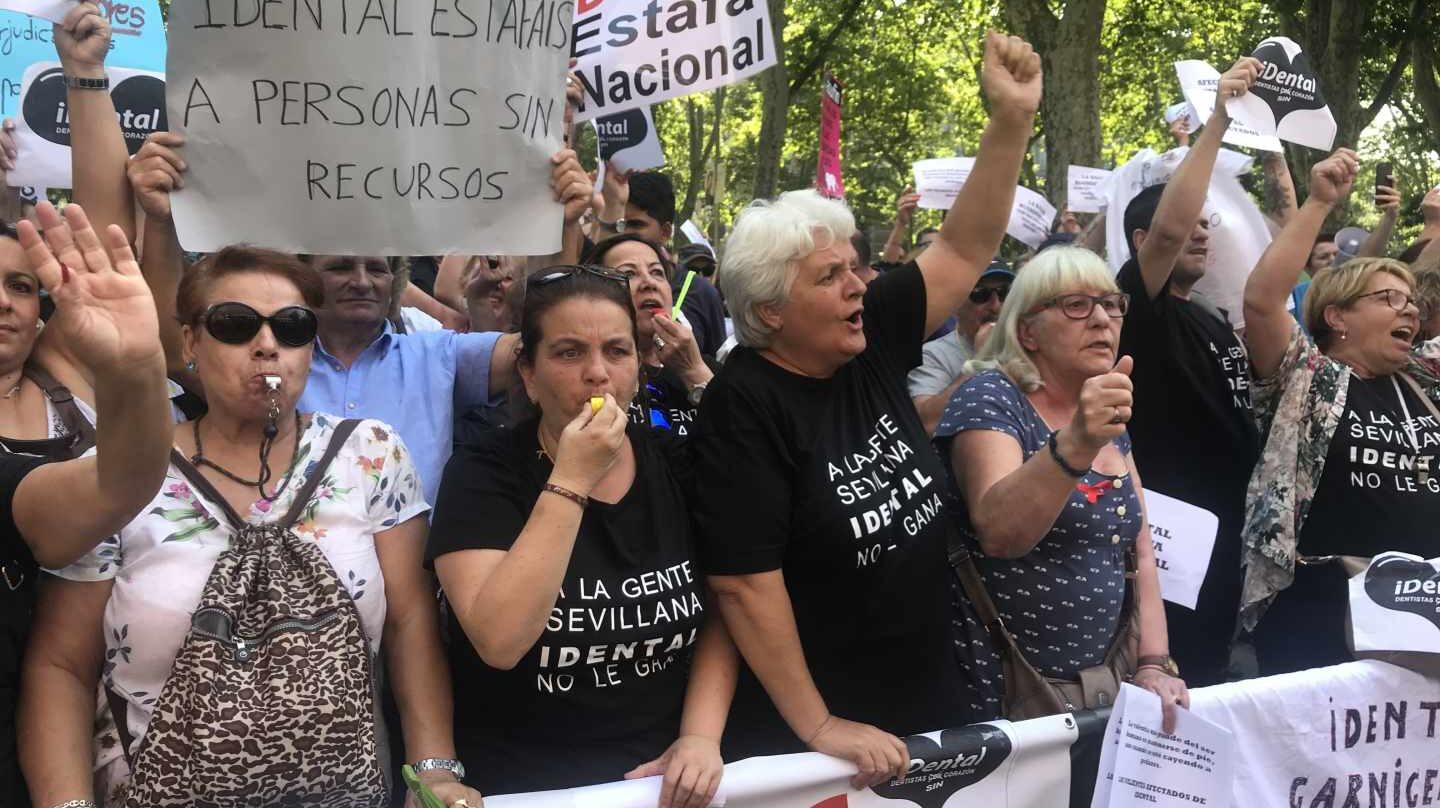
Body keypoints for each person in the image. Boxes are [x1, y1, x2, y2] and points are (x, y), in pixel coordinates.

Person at [691, 32, 1040, 787]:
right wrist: (819, 724)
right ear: (770, 311)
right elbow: (746, 587)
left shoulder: (866, 335)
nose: (859, 284)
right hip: (819, 744)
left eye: (855, 265)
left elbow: (962, 246)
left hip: (927, 697)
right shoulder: (741, 409)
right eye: (831, 276)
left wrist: (1009, 123)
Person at [21, 245, 482, 808]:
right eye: (236, 325)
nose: (267, 346)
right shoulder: (119, 476)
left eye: (291, 327)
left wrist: (432, 769)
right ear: (190, 341)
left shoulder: (371, 454)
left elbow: (411, 622)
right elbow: (62, 665)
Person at [127, 132, 593, 504]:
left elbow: (549, 347)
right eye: (341, 266)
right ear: (306, 280)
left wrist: (563, 228)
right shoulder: (266, 358)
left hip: (414, 587)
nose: (363, 280)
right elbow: (171, 350)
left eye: (378, 267)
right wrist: (163, 222)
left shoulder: (437, 354)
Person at [427, 266, 735, 803]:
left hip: (658, 780)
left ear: (639, 367)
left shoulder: (676, 461)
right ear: (528, 373)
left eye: (617, 351)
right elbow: (498, 641)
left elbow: (728, 603)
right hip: (524, 787)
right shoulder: (481, 473)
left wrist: (700, 736)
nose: (598, 374)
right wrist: (571, 479)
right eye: (569, 353)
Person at [935, 246, 1190, 729]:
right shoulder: (991, 396)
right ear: (1027, 331)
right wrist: (1077, 441)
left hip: (1102, 687)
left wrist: (1154, 664)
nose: (1101, 319)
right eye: (1076, 304)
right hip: (1002, 697)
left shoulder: (1101, 405)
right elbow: (1000, 533)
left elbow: (1138, 551)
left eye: (1112, 304)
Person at [1239, 148, 1440, 674]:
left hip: (1428, 617)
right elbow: (1261, 300)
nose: (1411, 311)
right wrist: (1320, 202)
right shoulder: (1305, 375)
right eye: (1390, 299)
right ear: (1338, 315)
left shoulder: (1424, 381)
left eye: (1412, 303)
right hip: (1322, 614)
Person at [0, 201, 173, 807]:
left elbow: (117, 484)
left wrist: (138, 368)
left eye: (20, 286)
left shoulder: (55, 385)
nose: (3, 301)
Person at [1112, 57, 1262, 687]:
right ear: (1146, 240)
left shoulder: (1210, 316)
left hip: (1230, 535)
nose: (1202, 235)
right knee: (1179, 685)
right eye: (1191, 227)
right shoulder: (1137, 310)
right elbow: (1172, 226)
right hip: (1173, 547)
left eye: (1208, 225)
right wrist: (1220, 119)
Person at [584, 235, 715, 436]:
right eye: (628, 273)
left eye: (657, 272)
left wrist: (694, 371)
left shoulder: (707, 368)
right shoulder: (591, 374)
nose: (648, 283)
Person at [908, 260, 1013, 435]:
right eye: (980, 294)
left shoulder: (1031, 344)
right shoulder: (933, 355)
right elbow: (926, 424)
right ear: (955, 304)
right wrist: (980, 362)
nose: (995, 306)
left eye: (1005, 293)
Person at [673, 243, 727, 358]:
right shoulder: (670, 295)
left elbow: (719, 350)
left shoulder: (713, 296)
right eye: (692, 271)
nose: (701, 277)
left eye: (708, 270)